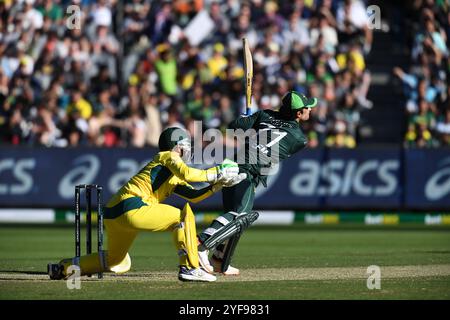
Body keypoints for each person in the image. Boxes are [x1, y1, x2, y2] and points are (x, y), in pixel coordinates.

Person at [48, 127, 246, 282]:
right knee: (183, 217)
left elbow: (194, 196)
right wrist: (218, 171)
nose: (189, 149)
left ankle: (65, 268)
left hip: (113, 215)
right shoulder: (168, 156)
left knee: (115, 261)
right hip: (132, 206)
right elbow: (188, 174)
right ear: (176, 146)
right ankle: (190, 267)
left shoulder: (171, 174)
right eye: (185, 144)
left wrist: (217, 185)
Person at [197, 91, 318, 275]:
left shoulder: (264, 115)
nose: (310, 109)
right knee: (240, 216)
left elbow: (234, 126)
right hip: (246, 172)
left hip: (234, 166)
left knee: (235, 217)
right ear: (299, 114)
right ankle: (200, 244)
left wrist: (247, 119)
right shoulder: (300, 138)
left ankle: (221, 260)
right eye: (306, 107)